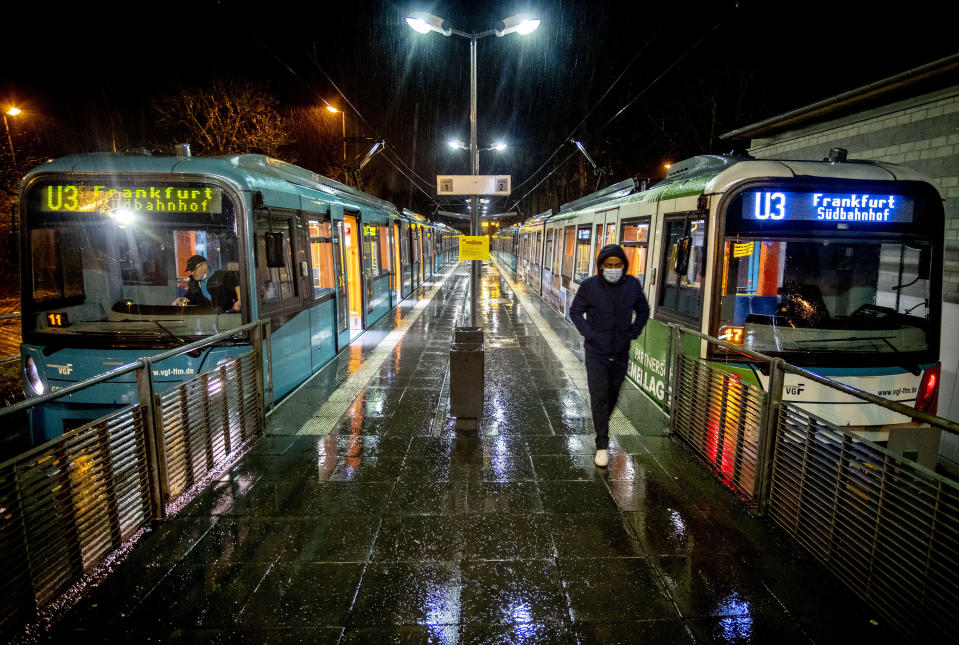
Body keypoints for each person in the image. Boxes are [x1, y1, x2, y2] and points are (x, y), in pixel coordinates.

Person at [569, 244, 650, 467]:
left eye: (617, 265)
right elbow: (575, 312)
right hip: (596, 353)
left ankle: (602, 423)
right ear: (601, 266)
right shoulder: (589, 286)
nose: (613, 269)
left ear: (623, 266)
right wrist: (590, 335)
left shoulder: (632, 285)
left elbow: (643, 310)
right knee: (599, 396)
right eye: (608, 265)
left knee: (612, 395)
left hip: (620, 352)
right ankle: (602, 445)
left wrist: (634, 331)